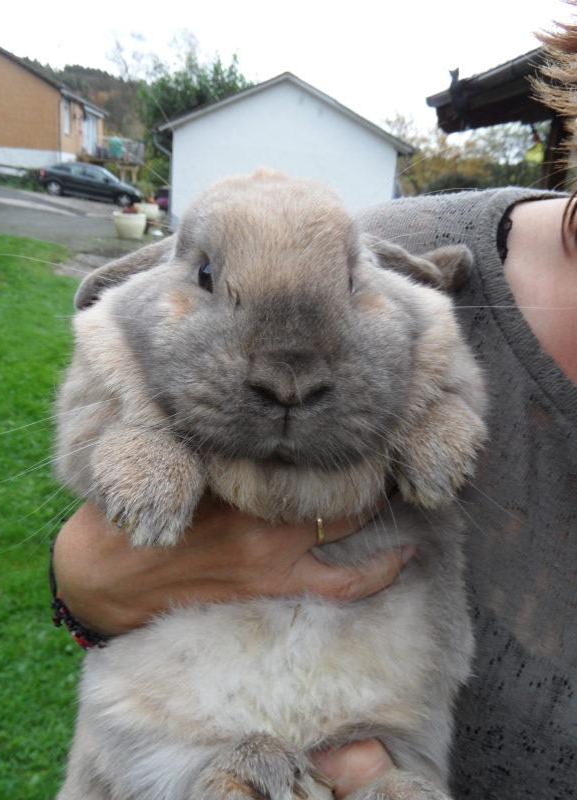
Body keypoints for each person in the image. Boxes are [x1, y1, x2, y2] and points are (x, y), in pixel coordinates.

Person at [51, 12, 577, 800]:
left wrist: (435, 426)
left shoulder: (416, 313)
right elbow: (92, 557)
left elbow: (441, 388)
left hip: (386, 708)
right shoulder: (415, 231)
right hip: (186, 722)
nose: (287, 379)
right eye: (207, 281)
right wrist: (86, 580)